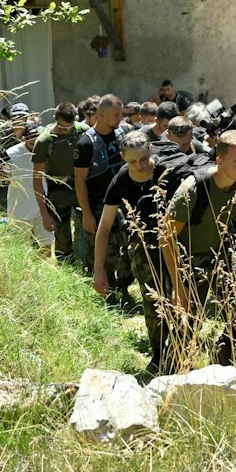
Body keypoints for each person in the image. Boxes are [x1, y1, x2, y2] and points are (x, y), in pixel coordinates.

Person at [163, 131, 236, 369]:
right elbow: (166, 236)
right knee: (186, 323)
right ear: (219, 160)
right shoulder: (193, 189)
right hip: (188, 258)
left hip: (221, 252)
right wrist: (179, 286)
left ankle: (222, 365)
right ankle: (172, 373)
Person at [94, 130, 174, 369]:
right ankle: (159, 354)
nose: (139, 166)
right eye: (131, 161)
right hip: (143, 248)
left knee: (178, 297)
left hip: (174, 241)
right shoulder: (121, 179)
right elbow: (105, 226)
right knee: (152, 300)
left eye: (142, 158)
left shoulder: (166, 171)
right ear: (122, 157)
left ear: (150, 149)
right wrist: (99, 269)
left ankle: (181, 348)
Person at [32, 101, 95, 268]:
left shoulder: (85, 132)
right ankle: (66, 271)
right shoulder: (45, 141)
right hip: (58, 191)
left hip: (83, 187)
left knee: (89, 231)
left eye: (70, 128)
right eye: (62, 128)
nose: (66, 131)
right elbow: (37, 179)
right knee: (62, 237)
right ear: (55, 120)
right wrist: (45, 214)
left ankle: (90, 269)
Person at [81, 96, 127, 288]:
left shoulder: (122, 135)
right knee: (102, 253)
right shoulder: (86, 143)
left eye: (121, 113)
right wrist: (86, 214)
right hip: (98, 205)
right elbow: (79, 181)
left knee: (124, 249)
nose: (120, 118)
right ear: (101, 114)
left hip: (123, 204)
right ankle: (104, 291)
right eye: (116, 114)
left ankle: (120, 287)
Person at [3, 112, 47, 249]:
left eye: (37, 139)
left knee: (47, 246)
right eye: (31, 139)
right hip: (19, 209)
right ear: (23, 138)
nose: (34, 143)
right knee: (20, 250)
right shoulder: (10, 153)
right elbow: (2, 178)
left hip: (42, 208)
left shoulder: (47, 149)